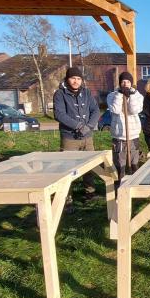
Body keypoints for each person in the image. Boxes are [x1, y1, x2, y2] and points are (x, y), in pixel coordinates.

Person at [52, 66, 100, 200]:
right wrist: (78, 126)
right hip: (69, 138)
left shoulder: (86, 93)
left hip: (87, 137)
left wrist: (89, 126)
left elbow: (95, 110)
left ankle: (90, 192)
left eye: (79, 79)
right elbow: (59, 114)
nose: (76, 81)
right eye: (73, 78)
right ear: (67, 79)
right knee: (67, 169)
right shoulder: (60, 94)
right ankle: (66, 198)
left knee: (89, 166)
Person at [106, 72, 143, 179]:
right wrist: (120, 95)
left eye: (128, 82)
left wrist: (130, 96)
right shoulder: (112, 95)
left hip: (133, 135)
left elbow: (134, 110)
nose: (125, 84)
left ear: (131, 83)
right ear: (120, 83)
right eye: (123, 81)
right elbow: (115, 110)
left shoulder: (138, 95)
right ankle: (119, 188)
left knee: (134, 163)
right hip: (119, 136)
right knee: (119, 165)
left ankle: (135, 188)